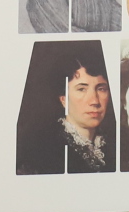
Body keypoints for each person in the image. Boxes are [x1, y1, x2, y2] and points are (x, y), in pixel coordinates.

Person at [17, 39, 116, 174]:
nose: (94, 101)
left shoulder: (115, 145)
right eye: (81, 89)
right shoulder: (43, 151)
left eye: (101, 89)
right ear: (63, 99)